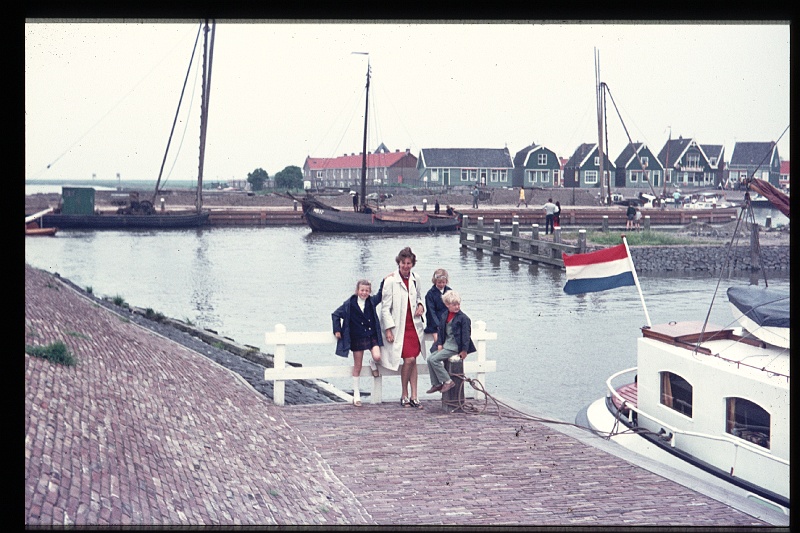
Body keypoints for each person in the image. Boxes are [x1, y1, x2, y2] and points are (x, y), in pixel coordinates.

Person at [380, 247, 426, 409]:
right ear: (398, 263)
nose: (406, 266)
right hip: (399, 327)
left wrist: (421, 305)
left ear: (412, 264)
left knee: (413, 360)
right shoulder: (391, 281)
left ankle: (414, 396)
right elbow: (385, 308)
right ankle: (404, 394)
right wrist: (388, 329)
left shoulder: (416, 278)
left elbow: (419, 296)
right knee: (409, 359)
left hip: (414, 326)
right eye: (403, 263)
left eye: (409, 263)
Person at [332, 279, 383, 407]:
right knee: (357, 366)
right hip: (357, 337)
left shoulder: (372, 301)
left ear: (370, 291)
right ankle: (356, 394)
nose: (364, 293)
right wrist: (337, 330)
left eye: (367, 290)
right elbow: (335, 315)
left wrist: (385, 280)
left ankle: (372, 362)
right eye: (362, 290)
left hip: (371, 335)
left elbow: (381, 294)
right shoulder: (349, 304)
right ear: (357, 290)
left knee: (377, 356)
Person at [426, 290, 476, 395]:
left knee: (434, 360)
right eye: (454, 305)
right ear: (447, 305)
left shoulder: (464, 318)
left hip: (455, 347)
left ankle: (448, 381)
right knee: (430, 359)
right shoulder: (445, 315)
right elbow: (441, 331)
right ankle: (436, 384)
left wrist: (464, 350)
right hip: (446, 345)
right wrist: (439, 344)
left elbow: (466, 336)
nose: (457, 307)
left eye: (458, 304)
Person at [424, 269, 451, 351]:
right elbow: (431, 312)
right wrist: (438, 325)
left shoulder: (449, 291)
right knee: (438, 341)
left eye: (443, 282)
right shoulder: (430, 294)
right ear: (435, 281)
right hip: (434, 324)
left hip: (447, 322)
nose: (441, 284)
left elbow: (452, 307)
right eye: (439, 282)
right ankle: (434, 354)